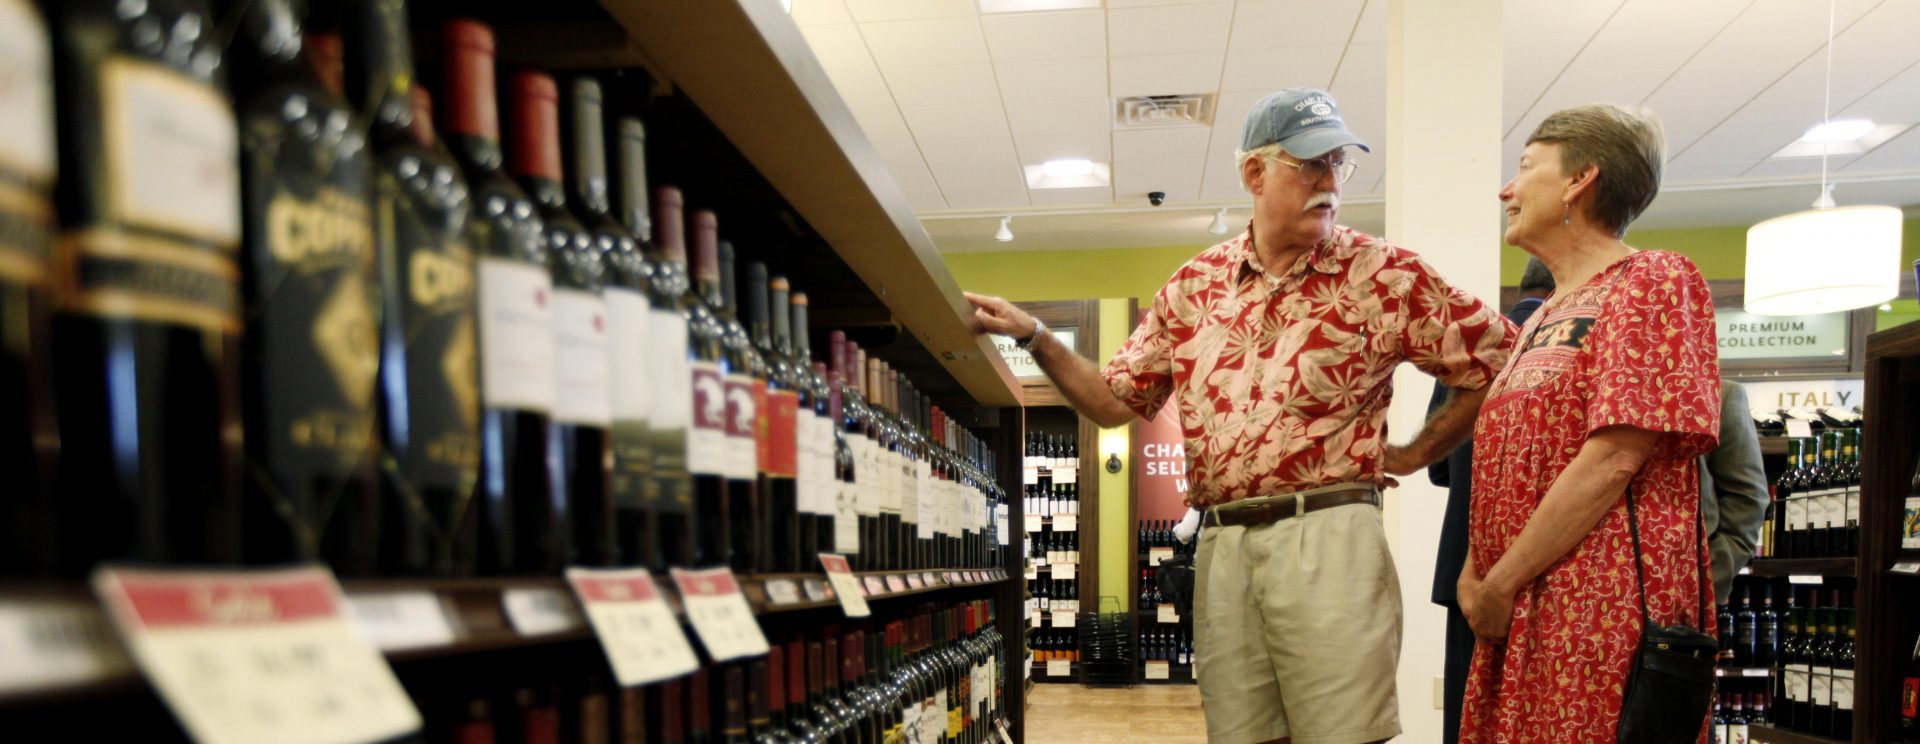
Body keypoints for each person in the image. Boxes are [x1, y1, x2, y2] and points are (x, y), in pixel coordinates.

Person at [967, 87, 1516, 744]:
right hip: (1222, 545)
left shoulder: (1384, 274)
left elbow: (1499, 362)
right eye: (1310, 164)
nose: (1330, 182)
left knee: (1346, 734)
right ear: (1254, 173)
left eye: (1339, 163)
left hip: (1330, 536)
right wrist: (1038, 337)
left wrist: (1418, 451)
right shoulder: (1193, 286)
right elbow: (1115, 402)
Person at [1459, 103, 1721, 743]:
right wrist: (1477, 571)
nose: (1506, 189)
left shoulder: (1653, 279)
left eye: (1524, 168)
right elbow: (1510, 460)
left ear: (1579, 180)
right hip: (1518, 600)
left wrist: (1501, 579)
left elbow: (1614, 457)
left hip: (1595, 606)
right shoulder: (1542, 315)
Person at [1424, 257, 1552, 744]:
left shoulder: (1474, 346)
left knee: (1467, 713)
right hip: (1548, 562)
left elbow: (1438, 466)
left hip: (1465, 562)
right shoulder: (1570, 342)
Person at [1702, 379, 1768, 604]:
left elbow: (1747, 498)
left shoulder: (1719, 395)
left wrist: (1712, 574)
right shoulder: (1594, 392)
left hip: (1685, 589)